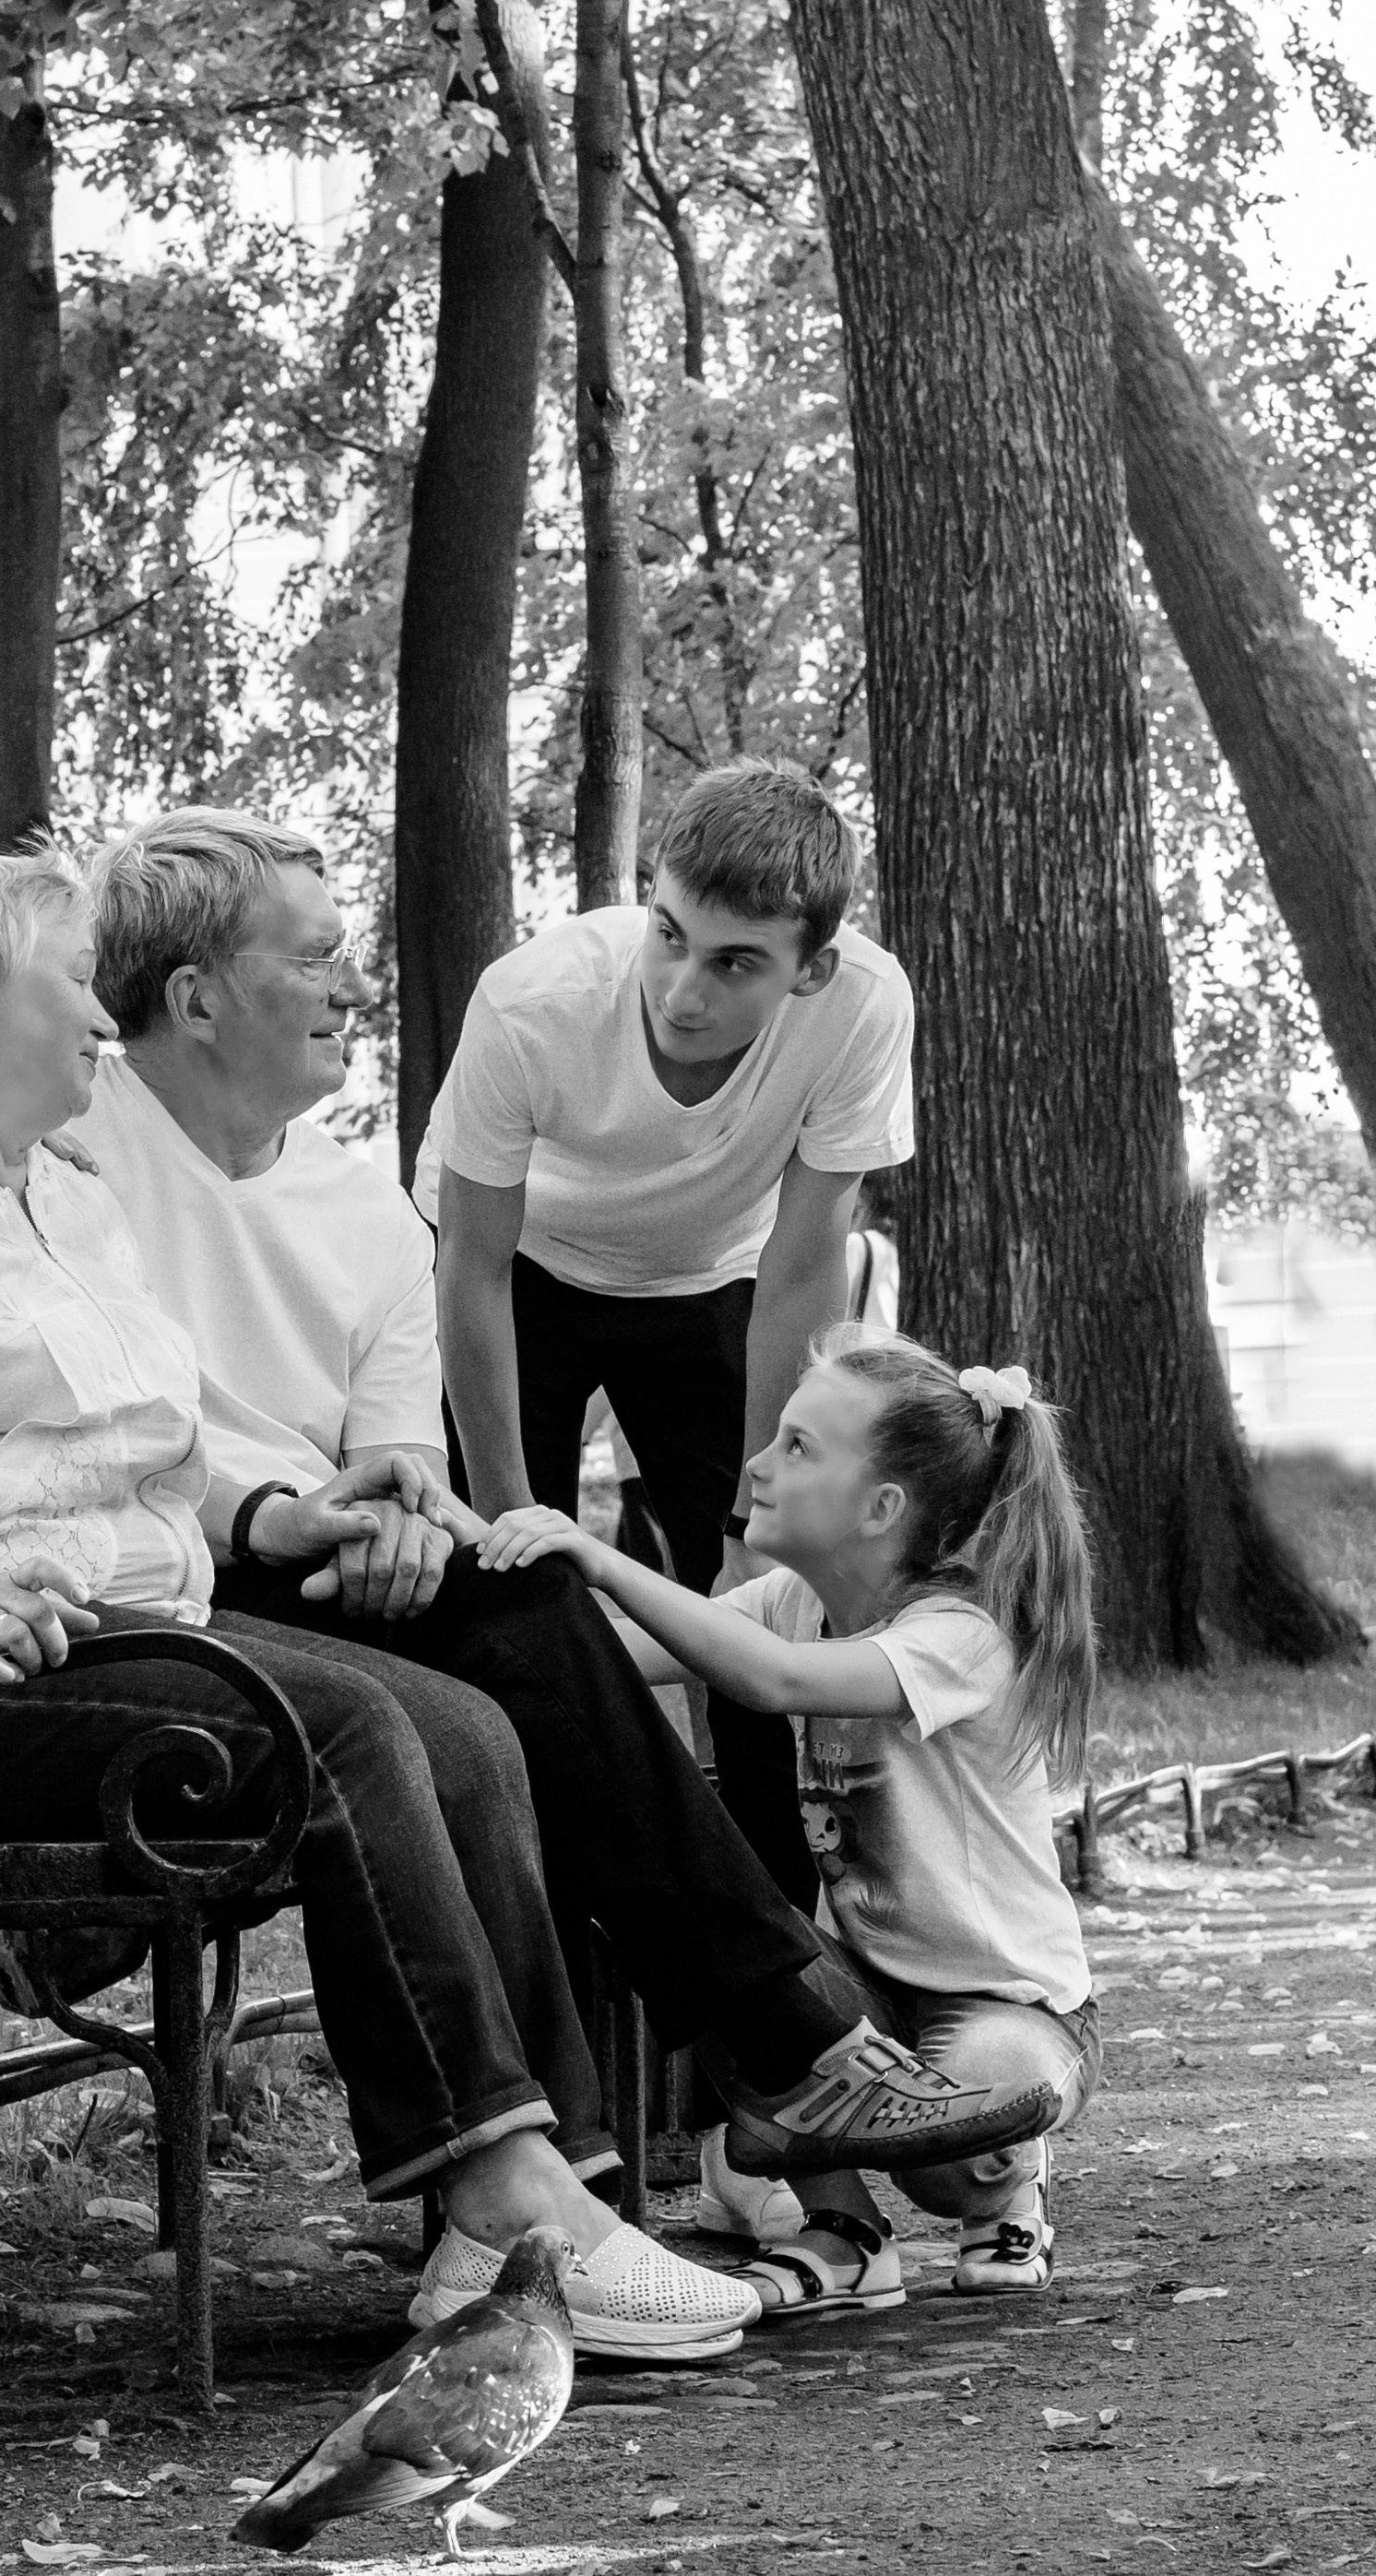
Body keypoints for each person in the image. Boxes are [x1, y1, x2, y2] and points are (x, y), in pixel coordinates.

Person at [0, 844, 1055, 2359]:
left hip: (121, 1628)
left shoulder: (51, 1203)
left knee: (469, 1712)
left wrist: (290, 1508)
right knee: (351, 1722)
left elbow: (171, 1444)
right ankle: (517, 2195)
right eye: (70, 991)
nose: (98, 1026)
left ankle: (570, 2201)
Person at [478, 1329, 1102, 2306]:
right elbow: (607, 1653)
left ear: (881, 1507)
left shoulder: (960, 1635)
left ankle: (1005, 2189)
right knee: (726, 1952)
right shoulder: (790, 1599)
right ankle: (846, 2232)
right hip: (860, 1986)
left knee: (944, 2150)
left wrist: (595, 1553)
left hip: (1002, 2002)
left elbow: (769, 1683)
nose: (757, 1467)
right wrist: (472, 1572)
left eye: (799, 1447)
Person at [418, 758, 915, 1910]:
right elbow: (469, 1265)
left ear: (811, 970)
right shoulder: (531, 1001)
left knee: (754, 1584)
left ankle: (779, 1925)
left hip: (710, 1277)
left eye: (736, 962)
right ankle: (523, 1898)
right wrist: (508, 1515)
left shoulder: (862, 1011)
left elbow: (803, 1269)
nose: (684, 989)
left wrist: (753, 1516)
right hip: (522, 1274)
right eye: (669, 935)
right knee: (502, 1593)